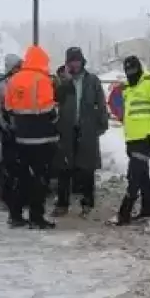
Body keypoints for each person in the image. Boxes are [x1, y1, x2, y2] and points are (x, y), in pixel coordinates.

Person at [3, 45, 60, 229]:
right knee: (40, 179)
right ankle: (36, 217)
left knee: (22, 178)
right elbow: (50, 109)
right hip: (42, 137)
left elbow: (8, 108)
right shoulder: (43, 80)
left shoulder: (14, 80)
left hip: (21, 137)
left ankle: (15, 215)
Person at [54, 46, 109, 218]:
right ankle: (62, 204)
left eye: (77, 60)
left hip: (87, 128)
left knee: (87, 168)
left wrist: (102, 124)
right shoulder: (60, 80)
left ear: (82, 61)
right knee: (64, 168)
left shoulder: (92, 80)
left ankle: (87, 202)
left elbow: (101, 103)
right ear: (67, 62)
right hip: (66, 128)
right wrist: (65, 81)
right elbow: (55, 100)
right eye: (72, 61)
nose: (75, 64)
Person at [113, 55, 150, 226]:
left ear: (140, 68)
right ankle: (147, 210)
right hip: (132, 138)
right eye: (128, 71)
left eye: (133, 70)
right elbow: (127, 113)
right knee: (142, 175)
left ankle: (124, 213)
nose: (131, 74)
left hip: (147, 138)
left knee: (134, 175)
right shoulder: (127, 87)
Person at [0, 53, 26, 227]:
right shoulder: (2, 85)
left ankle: (17, 208)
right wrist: (5, 128)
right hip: (10, 135)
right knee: (11, 172)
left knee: (20, 173)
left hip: (22, 135)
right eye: (17, 67)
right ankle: (13, 210)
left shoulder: (20, 83)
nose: (20, 70)